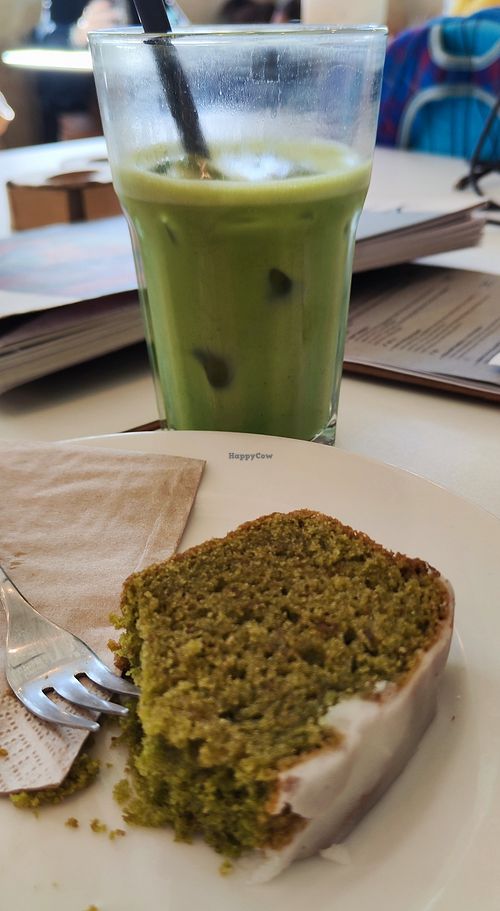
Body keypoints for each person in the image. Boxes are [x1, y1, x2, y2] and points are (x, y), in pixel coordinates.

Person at [32, 0, 139, 141]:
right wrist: (77, 34)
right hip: (80, 110)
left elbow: (171, 27)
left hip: (141, 107)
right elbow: (43, 42)